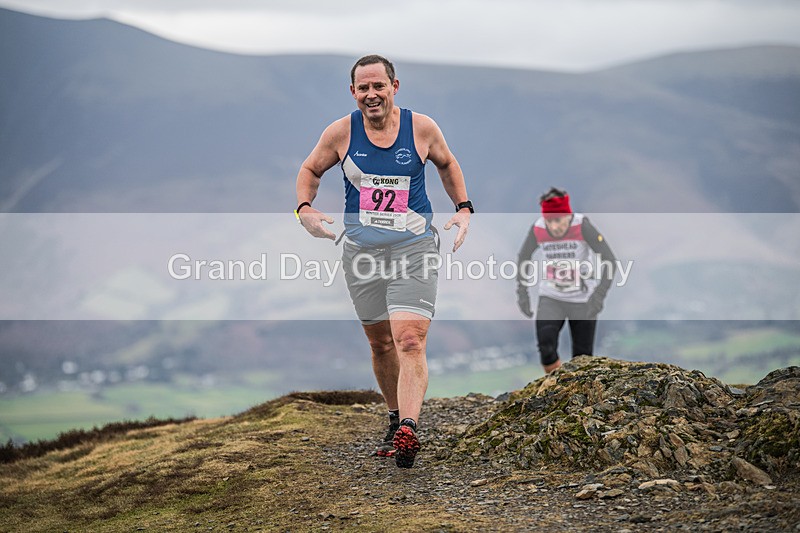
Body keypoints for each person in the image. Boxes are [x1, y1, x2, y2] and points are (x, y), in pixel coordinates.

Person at [295, 54, 472, 468]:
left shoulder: (421, 128)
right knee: (379, 343)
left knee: (409, 339)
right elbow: (310, 169)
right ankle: (395, 418)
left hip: (413, 249)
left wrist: (464, 208)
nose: (371, 95)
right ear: (353, 92)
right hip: (361, 254)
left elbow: (447, 163)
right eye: (363, 88)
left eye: (379, 86)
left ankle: (409, 427)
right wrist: (304, 208)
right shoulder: (340, 133)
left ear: (395, 87)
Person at [515, 187, 616, 373]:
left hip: (583, 299)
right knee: (546, 347)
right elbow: (524, 257)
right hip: (551, 296)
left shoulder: (582, 225)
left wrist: (598, 296)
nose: (553, 226)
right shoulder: (538, 229)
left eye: (557, 220)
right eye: (549, 221)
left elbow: (609, 260)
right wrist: (522, 294)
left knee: (582, 360)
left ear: (568, 215)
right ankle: (555, 387)